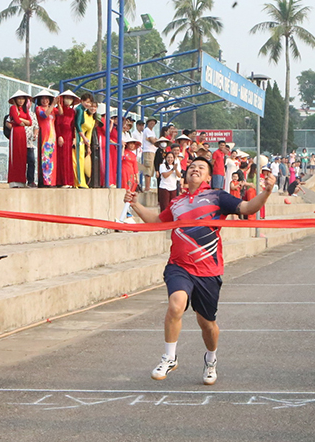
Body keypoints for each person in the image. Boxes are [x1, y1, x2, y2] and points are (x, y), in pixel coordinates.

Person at [124, 156, 276, 386]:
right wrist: (135, 204)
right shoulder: (177, 202)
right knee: (176, 305)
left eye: (201, 168)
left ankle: (211, 358)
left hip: (207, 270)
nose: (195, 170)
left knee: (207, 325)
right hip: (179, 266)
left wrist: (266, 192)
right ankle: (170, 356)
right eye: (192, 167)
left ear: (207, 176)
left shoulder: (217, 196)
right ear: (186, 174)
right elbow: (156, 221)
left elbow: (247, 208)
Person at [7, 91, 32, 187]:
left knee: (22, 155)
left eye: (23, 99)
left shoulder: (25, 110)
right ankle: (14, 180)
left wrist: (21, 120)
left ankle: (21, 180)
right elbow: (16, 121)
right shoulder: (13, 108)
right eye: (19, 99)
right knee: (15, 155)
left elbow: (30, 122)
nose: (21, 101)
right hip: (16, 132)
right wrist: (20, 120)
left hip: (22, 133)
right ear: (15, 100)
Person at [53, 90, 78, 187]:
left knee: (68, 158)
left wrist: (74, 138)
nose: (69, 100)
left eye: (71, 98)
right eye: (67, 98)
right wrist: (59, 135)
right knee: (61, 157)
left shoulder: (72, 111)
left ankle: (68, 181)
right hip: (61, 135)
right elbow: (57, 123)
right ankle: (61, 181)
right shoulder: (58, 109)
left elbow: (73, 126)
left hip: (69, 136)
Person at [73, 93, 96, 188]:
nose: (88, 104)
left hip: (82, 139)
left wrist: (88, 145)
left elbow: (89, 134)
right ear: (81, 101)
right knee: (77, 160)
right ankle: (78, 181)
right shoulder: (79, 110)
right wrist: (83, 137)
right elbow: (77, 125)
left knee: (80, 159)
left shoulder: (85, 112)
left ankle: (81, 181)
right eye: (86, 102)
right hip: (77, 136)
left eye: (90, 102)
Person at [141, 119, 158, 191]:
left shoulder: (152, 131)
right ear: (148, 122)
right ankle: (147, 187)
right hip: (148, 151)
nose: (152, 123)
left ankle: (148, 187)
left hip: (152, 151)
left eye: (154, 122)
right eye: (151, 121)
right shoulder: (147, 130)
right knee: (148, 168)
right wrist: (155, 141)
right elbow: (153, 141)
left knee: (151, 169)